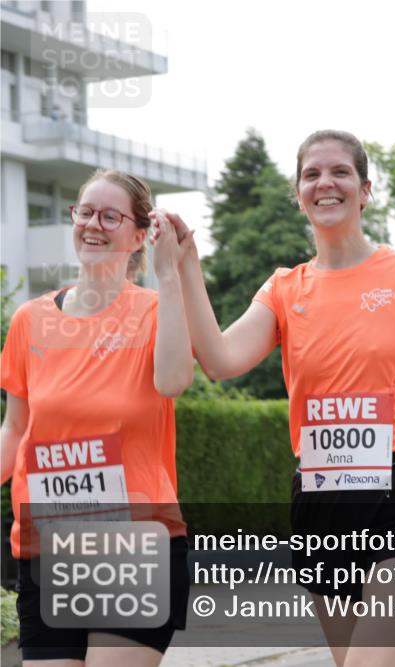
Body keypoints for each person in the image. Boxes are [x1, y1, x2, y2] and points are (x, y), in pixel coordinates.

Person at [157, 130, 395, 667]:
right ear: (298, 191)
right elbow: (219, 360)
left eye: (339, 172)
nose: (325, 183)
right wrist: (186, 263)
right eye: (312, 174)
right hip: (324, 495)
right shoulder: (285, 288)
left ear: (365, 189)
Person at [0, 169, 193, 665]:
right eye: (85, 211)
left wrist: (169, 273)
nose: (93, 225)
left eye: (111, 216)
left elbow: (174, 381)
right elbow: (16, 429)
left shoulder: (156, 311)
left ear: (137, 235)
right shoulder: (30, 320)